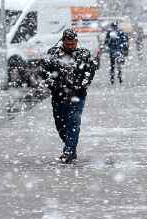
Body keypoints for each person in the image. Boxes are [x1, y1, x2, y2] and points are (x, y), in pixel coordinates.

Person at [39, 28, 98, 163]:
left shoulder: (83, 54)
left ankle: (69, 151)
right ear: (62, 41)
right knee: (61, 125)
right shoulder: (53, 53)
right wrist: (52, 83)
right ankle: (70, 145)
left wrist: (84, 84)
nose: (70, 46)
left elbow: (90, 71)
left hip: (77, 95)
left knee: (73, 122)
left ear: (76, 42)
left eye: (72, 44)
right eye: (67, 44)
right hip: (58, 95)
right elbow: (44, 70)